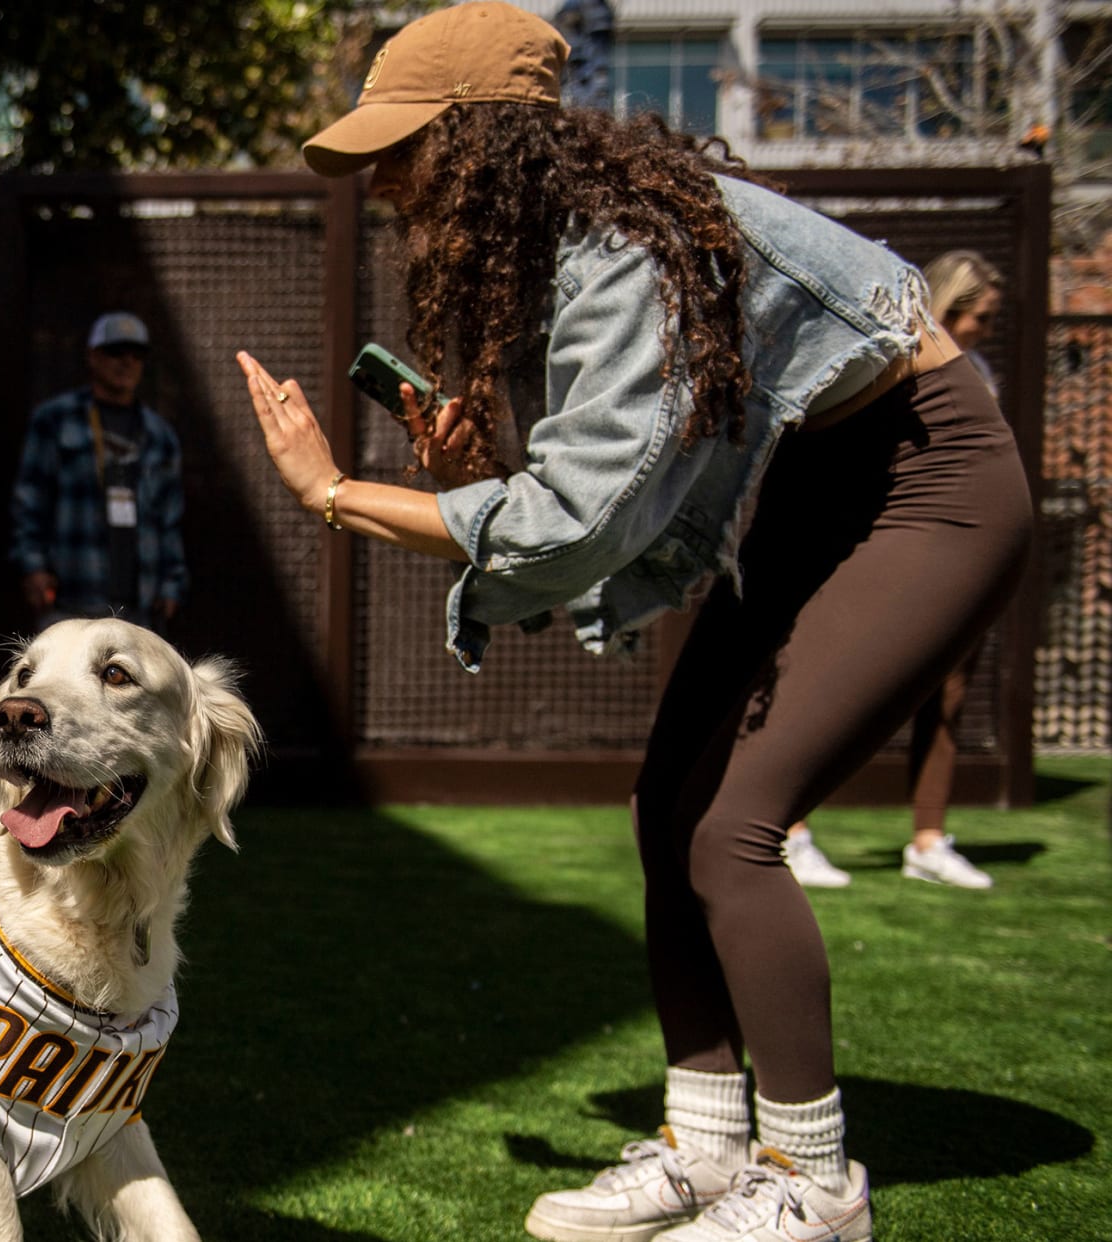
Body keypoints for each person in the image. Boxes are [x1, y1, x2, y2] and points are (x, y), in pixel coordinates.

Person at [236, 5, 1031, 1241]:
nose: (386, 182)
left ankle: (816, 1183)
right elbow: (597, 476)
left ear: (483, 140)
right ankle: (707, 1148)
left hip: (932, 482)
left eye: (403, 151)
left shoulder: (621, 245)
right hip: (826, 485)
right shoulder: (571, 246)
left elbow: (575, 524)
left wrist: (333, 493)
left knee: (733, 827)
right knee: (668, 808)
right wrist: (468, 471)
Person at [784, 249, 1008, 890]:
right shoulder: (883, 364)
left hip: (963, 554)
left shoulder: (979, 373)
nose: (984, 333)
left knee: (949, 696)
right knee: (837, 686)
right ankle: (790, 830)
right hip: (887, 547)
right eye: (981, 319)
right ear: (949, 311)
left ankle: (928, 840)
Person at [10, 311, 187, 632]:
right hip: (69, 598)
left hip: (140, 604)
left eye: (137, 355)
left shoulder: (159, 434)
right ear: (93, 356)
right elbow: (30, 500)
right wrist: (33, 566)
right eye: (116, 352)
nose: (127, 362)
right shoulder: (56, 420)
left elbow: (170, 518)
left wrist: (172, 582)